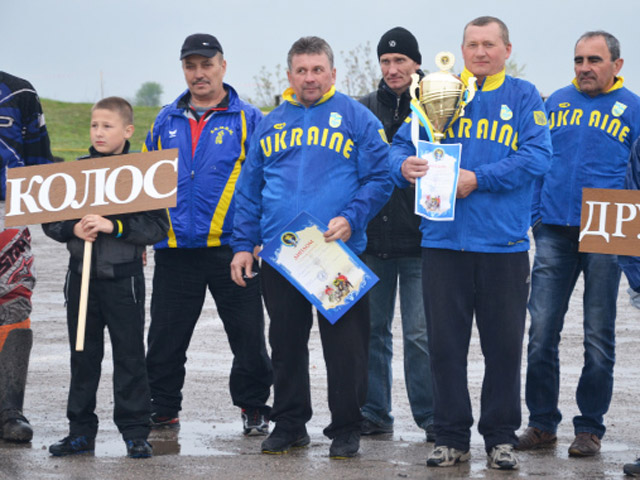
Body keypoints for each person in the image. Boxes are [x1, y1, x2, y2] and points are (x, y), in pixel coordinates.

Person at [391, 16, 552, 469]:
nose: (480, 53)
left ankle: (500, 438)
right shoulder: (438, 91)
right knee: (444, 347)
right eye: (472, 45)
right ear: (460, 51)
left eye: (488, 45)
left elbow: (539, 155)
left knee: (503, 348)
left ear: (506, 49)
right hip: (443, 243)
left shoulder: (522, 96)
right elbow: (397, 148)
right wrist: (403, 167)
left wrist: (478, 179)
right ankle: (450, 438)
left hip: (502, 247)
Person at [230, 36, 392, 459]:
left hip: (336, 253)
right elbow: (249, 190)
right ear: (289, 75)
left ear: (333, 73)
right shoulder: (271, 122)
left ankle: (346, 429)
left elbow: (380, 179)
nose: (309, 78)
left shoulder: (357, 118)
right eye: (301, 70)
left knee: (346, 348)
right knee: (285, 344)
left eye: (317, 69)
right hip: (283, 255)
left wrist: (352, 216)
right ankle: (289, 424)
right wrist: (243, 244)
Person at [518, 31, 640, 458]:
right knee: (541, 332)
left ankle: (589, 428)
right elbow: (536, 160)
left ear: (617, 65)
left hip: (610, 225)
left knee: (598, 336)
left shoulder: (636, 109)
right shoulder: (555, 103)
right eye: (578, 60)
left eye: (594, 60)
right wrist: (535, 214)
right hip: (554, 227)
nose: (584, 67)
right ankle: (541, 423)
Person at [143, 33, 272, 435]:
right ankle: (163, 408)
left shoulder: (250, 118)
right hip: (175, 249)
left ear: (223, 66)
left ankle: (253, 407)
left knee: (249, 335)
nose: (198, 74)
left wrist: (252, 241)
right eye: (190, 66)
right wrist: (143, 236)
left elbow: (263, 182)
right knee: (164, 338)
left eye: (206, 64)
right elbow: (145, 181)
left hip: (233, 251)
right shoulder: (164, 119)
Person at [43, 97, 169, 458]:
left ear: (128, 130)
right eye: (95, 125)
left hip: (123, 280)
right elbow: (49, 221)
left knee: (130, 358)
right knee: (83, 357)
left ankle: (134, 432)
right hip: (80, 279)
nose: (99, 132)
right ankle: (80, 431)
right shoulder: (75, 172)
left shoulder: (143, 175)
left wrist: (113, 225)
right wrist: (73, 228)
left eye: (107, 126)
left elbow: (156, 227)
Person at [358, 27, 434, 441]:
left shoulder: (438, 106)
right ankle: (374, 412)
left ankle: (431, 416)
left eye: (400, 61)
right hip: (372, 240)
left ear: (416, 63)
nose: (392, 69)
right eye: (386, 62)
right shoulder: (363, 109)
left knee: (420, 336)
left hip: (422, 242)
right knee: (373, 331)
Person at [0, 72, 52, 442]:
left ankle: (8, 410)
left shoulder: (19, 91)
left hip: (8, 214)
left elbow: (40, 165)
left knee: (15, 303)